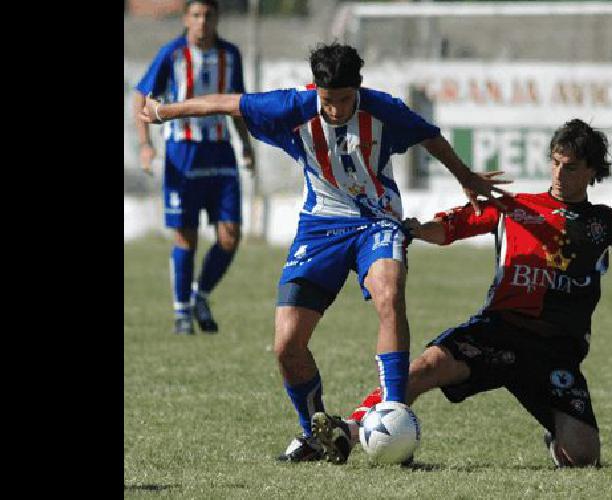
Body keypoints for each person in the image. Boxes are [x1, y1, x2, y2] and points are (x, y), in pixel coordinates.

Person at [138, 43, 510, 464]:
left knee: (389, 292)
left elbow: (431, 136)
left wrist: (465, 177)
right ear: (316, 89)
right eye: (327, 101)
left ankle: (391, 410)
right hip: (319, 228)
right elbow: (226, 103)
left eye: (345, 100)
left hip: (377, 220)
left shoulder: (383, 110)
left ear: (359, 88)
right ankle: (317, 432)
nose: (335, 110)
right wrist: (163, 113)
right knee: (286, 345)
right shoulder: (293, 106)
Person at [314, 119, 612, 467]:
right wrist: (413, 229)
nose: (561, 172)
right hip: (497, 332)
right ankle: (348, 431)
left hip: (555, 353)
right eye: (557, 161)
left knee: (583, 459)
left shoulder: (601, 223)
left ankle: (556, 434)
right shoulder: (513, 206)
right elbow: (450, 228)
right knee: (423, 368)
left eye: (573, 166)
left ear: (593, 172)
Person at [133, 0, 255, 335]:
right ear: (186, 18)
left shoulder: (231, 55)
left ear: (217, 18)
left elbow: (237, 103)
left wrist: (246, 146)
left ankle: (200, 294)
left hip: (220, 153)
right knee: (186, 236)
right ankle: (182, 312)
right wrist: (145, 145)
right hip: (182, 155)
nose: (202, 22)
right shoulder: (171, 54)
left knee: (230, 235)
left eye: (208, 15)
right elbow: (142, 96)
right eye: (196, 15)